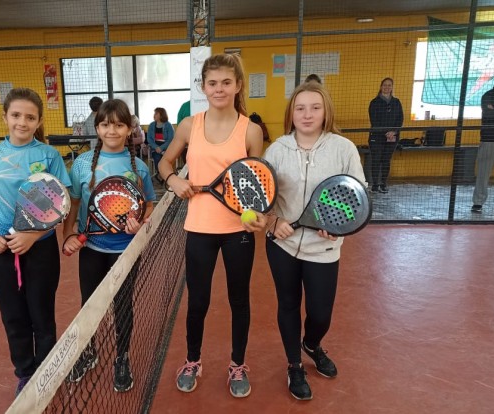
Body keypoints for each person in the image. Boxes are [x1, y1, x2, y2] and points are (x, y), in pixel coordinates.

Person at [159, 53, 266, 398]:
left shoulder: (250, 130)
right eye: (212, 83)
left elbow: (256, 183)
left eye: (226, 82)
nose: (219, 89)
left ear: (238, 86)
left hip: (239, 232)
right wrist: (173, 180)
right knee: (198, 301)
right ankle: (192, 360)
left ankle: (237, 365)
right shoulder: (190, 125)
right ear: (203, 86)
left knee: (239, 300)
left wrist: (255, 213)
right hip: (199, 229)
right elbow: (164, 162)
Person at [262, 81, 366, 401]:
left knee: (320, 314)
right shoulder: (277, 149)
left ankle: (312, 343)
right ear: (291, 113)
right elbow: (259, 202)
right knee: (288, 305)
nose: (307, 114)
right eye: (300, 108)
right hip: (282, 245)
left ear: (325, 112)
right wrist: (273, 221)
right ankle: (295, 364)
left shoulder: (343, 148)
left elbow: (357, 196)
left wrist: (339, 226)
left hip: (324, 248)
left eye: (315, 107)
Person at [0, 87, 71, 397]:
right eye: (16, 115)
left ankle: (48, 371)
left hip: (40, 248)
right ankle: (26, 373)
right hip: (0, 248)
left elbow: (61, 203)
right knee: (13, 315)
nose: (22, 122)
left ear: (38, 121)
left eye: (30, 117)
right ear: (5, 117)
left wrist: (32, 235)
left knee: (42, 314)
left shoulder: (49, 155)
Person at [62, 99, 156, 393]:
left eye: (118, 124)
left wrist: (139, 223)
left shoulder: (138, 166)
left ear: (129, 129)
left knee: (123, 305)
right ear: (98, 127)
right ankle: (88, 352)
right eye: (105, 124)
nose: (111, 130)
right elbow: (75, 203)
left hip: (125, 250)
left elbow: (149, 203)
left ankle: (122, 357)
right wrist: (67, 235)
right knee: (89, 304)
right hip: (91, 248)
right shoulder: (80, 164)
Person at [472, 65, 494, 213]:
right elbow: (489, 114)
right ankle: (478, 202)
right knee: (483, 172)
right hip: (490, 139)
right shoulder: (488, 95)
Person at [368, 77, 403, 193]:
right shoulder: (374, 103)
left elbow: (400, 119)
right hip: (377, 137)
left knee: (386, 160)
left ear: (392, 87)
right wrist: (385, 132)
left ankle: (383, 183)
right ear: (381, 86)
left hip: (392, 137)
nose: (387, 87)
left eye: (389, 85)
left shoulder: (396, 102)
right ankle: (375, 185)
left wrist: (393, 132)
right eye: (385, 85)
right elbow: (374, 120)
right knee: (376, 160)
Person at [146, 107, 175, 181]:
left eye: (156, 113)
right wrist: (156, 147)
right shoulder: (152, 125)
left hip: (166, 147)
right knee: (157, 158)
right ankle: (162, 174)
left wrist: (161, 148)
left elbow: (170, 139)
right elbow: (149, 139)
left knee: (165, 158)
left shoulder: (168, 125)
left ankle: (162, 176)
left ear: (161, 115)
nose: (154, 115)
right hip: (155, 148)